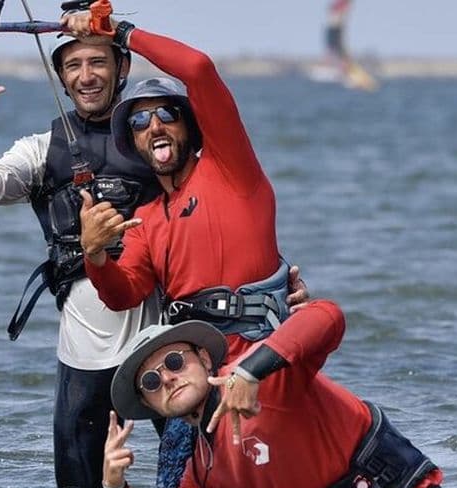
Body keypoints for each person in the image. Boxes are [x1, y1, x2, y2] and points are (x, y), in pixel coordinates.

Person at [0, 26, 308, 488]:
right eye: (73, 66)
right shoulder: (70, 167)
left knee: (233, 482)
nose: (152, 127)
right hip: (92, 351)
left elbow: (200, 77)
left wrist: (275, 286)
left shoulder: (209, 167)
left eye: (98, 62)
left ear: (123, 68)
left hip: (187, 350)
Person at [102, 300, 457, 488]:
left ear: (206, 359)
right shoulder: (207, 473)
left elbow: (327, 316)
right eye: (151, 381)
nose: (166, 378)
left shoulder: (264, 375)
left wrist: (252, 372)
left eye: (175, 361)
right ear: (151, 405)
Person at [75, 15, 293, 366]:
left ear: (189, 127)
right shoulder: (144, 220)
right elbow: (123, 294)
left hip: (259, 361)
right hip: (191, 369)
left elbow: (198, 68)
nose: (155, 125)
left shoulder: (231, 168)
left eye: (167, 113)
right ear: (134, 142)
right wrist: (95, 253)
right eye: (140, 122)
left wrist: (120, 32)